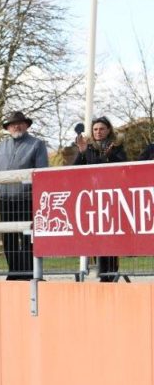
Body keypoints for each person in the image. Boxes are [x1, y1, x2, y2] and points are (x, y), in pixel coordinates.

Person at [0, 110, 48, 281]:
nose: (16, 126)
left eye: (20, 123)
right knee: (8, 238)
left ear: (26, 125)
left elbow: (41, 172)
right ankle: (14, 272)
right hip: (5, 200)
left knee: (28, 238)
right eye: (12, 124)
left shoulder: (37, 145)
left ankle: (28, 272)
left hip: (27, 200)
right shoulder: (0, 146)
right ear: (8, 128)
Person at [73, 116, 128, 282]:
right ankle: (102, 272)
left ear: (109, 130)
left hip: (112, 198)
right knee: (97, 236)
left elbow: (121, 169)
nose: (98, 132)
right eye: (95, 129)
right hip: (93, 199)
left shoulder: (117, 148)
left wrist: (108, 156)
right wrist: (82, 153)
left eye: (102, 129)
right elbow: (76, 170)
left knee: (111, 236)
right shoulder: (88, 148)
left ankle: (111, 272)